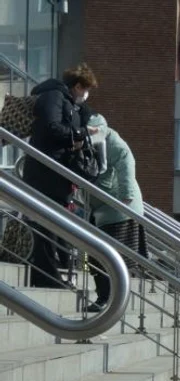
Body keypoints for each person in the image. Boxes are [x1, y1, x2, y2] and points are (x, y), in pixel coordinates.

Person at [24, 63, 99, 287]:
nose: (85, 96)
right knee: (46, 223)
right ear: (77, 86)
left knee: (54, 225)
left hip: (56, 173)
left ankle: (50, 273)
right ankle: (45, 275)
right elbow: (51, 128)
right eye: (85, 90)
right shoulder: (54, 97)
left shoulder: (66, 102)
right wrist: (80, 134)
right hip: (45, 172)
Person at [85, 114, 147, 312]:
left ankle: (109, 299)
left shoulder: (111, 141)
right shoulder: (91, 140)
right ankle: (106, 297)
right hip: (103, 207)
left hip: (118, 209)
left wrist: (126, 196)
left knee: (108, 256)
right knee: (98, 255)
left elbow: (126, 161)